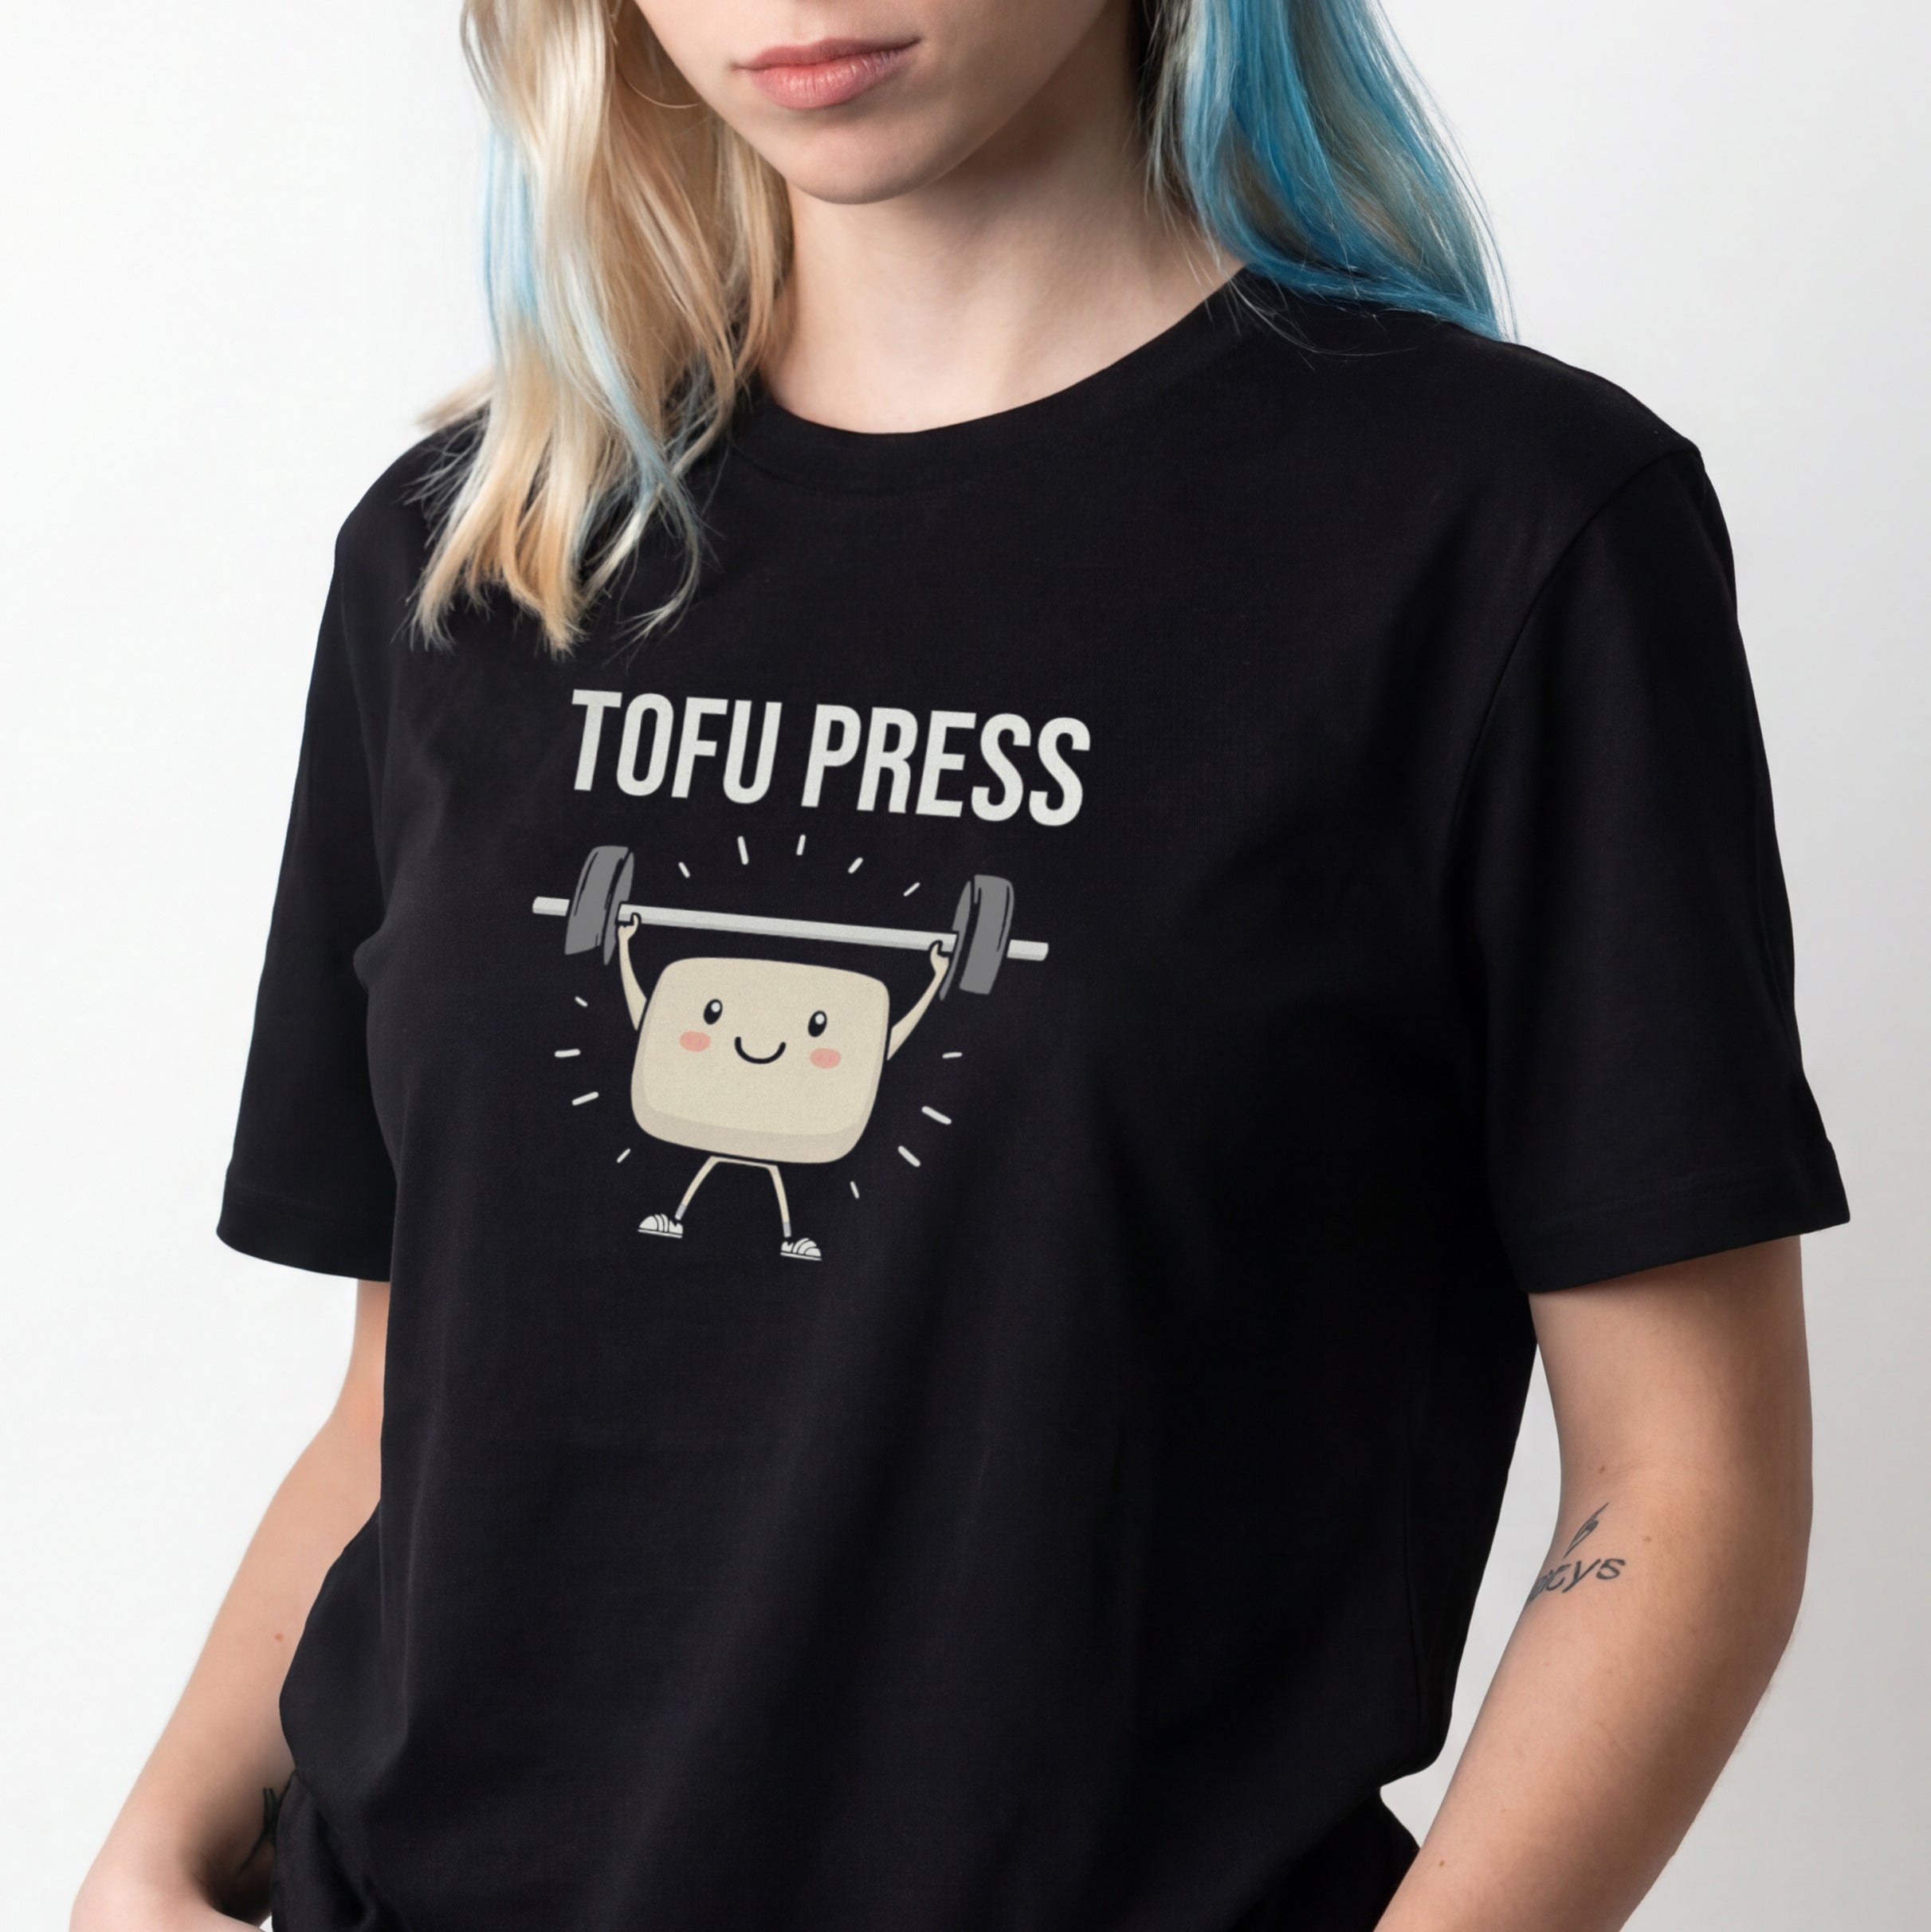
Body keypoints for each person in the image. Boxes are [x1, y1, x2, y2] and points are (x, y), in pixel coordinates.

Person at [72, 1, 1847, 1929]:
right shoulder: (477, 554)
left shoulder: (1502, 534)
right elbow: (405, 1404)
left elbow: (1684, 1486)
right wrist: (149, 1855)